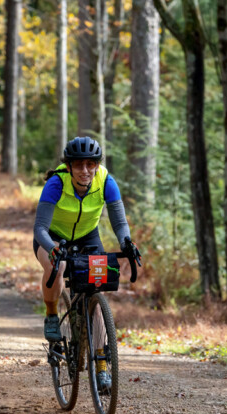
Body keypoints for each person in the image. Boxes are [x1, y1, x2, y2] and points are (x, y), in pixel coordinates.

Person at [33, 136, 140, 390]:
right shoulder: (55, 183)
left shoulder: (106, 181)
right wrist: (52, 248)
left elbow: (119, 222)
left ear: (96, 165)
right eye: (78, 165)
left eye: (90, 165)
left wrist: (126, 242)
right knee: (56, 267)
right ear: (68, 166)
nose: (85, 171)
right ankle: (51, 314)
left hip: (88, 236)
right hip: (53, 237)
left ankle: (101, 365)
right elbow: (40, 228)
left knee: (97, 288)